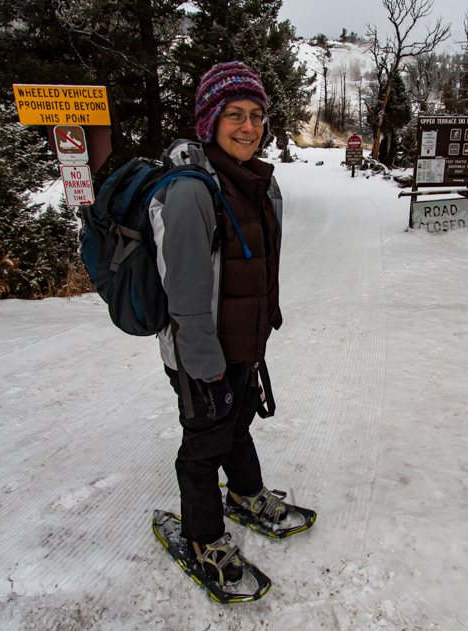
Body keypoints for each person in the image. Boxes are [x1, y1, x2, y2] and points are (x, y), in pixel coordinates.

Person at [149, 61, 288, 585]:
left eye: (256, 115)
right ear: (210, 121)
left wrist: (258, 340)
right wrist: (205, 371)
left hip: (242, 347)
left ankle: (246, 493)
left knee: (237, 424)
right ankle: (203, 537)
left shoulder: (255, 183)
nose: (248, 127)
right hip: (199, 353)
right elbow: (185, 299)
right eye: (234, 114)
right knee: (205, 443)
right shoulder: (191, 192)